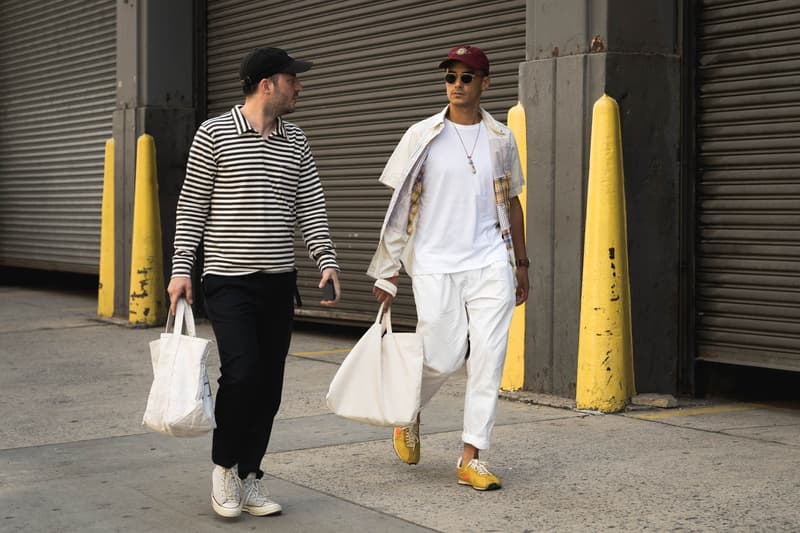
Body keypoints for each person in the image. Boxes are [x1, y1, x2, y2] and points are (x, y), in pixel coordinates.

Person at [167, 46, 341, 518]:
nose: (299, 87)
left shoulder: (297, 141)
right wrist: (182, 268)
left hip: (278, 281)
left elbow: (310, 205)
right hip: (228, 280)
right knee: (242, 373)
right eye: (293, 79)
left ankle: (249, 476)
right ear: (267, 84)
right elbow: (192, 206)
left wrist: (325, 260)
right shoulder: (214, 134)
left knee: (270, 385)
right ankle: (223, 468)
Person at [368, 45, 529, 491]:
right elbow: (398, 207)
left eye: (466, 77)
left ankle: (471, 456)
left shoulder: (501, 138)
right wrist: (389, 268)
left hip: (490, 259)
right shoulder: (422, 135)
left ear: (484, 83)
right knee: (442, 355)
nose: (457, 84)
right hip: (435, 261)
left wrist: (521, 262)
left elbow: (513, 202)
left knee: (489, 358)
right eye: (451, 77)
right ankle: (407, 412)